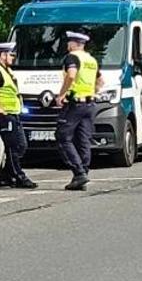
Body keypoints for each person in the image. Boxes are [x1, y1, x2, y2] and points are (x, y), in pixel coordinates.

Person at [52, 31, 100, 191]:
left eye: (69, 42)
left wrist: (61, 94)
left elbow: (71, 75)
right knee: (83, 140)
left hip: (75, 105)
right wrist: (92, 92)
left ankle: (79, 173)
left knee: (63, 137)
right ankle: (83, 174)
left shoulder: (72, 57)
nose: (67, 45)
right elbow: (100, 81)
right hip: (90, 104)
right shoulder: (91, 60)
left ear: (74, 44)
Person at [0, 41, 36, 189]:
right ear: (3, 55)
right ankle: (18, 177)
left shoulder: (5, 70)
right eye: (11, 55)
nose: (13, 57)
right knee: (14, 146)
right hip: (4, 116)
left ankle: (3, 176)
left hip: (13, 114)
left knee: (21, 146)